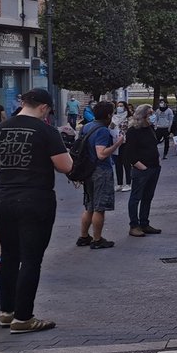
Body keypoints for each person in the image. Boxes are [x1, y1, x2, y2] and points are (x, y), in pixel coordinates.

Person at [0, 88, 72, 334]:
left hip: (3, 199)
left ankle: (6, 312)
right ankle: (24, 318)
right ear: (43, 107)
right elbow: (65, 166)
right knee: (31, 259)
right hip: (35, 199)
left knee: (9, 256)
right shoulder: (46, 131)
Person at [76, 101, 122, 250]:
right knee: (99, 207)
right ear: (109, 115)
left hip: (87, 170)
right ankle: (97, 239)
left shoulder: (87, 126)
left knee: (89, 206)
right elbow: (101, 154)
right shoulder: (102, 130)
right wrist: (117, 144)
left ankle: (83, 236)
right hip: (101, 170)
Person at [122, 105, 162, 238]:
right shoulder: (133, 131)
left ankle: (144, 223)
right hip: (142, 170)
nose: (152, 116)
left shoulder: (149, 128)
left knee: (148, 197)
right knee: (136, 197)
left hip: (154, 167)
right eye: (150, 114)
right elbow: (129, 153)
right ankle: (134, 225)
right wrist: (141, 166)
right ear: (143, 115)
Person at [111, 101, 132, 191]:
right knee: (118, 164)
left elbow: (131, 129)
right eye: (118, 106)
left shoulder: (129, 118)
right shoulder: (114, 117)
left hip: (126, 143)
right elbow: (111, 128)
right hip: (116, 143)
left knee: (126, 163)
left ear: (125, 107)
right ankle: (119, 183)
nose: (119, 107)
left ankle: (128, 183)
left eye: (121, 106)